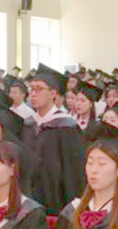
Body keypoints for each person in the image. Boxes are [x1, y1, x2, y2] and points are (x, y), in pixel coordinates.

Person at [25, 64, 86, 213]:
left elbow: (74, 172)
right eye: (31, 89)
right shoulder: (27, 124)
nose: (33, 94)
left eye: (39, 89)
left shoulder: (67, 126)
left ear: (53, 93)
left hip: (57, 200)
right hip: (29, 199)